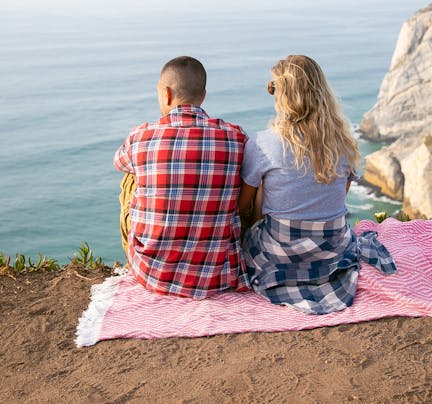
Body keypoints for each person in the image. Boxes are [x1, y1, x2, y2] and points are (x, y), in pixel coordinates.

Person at [238, 54, 396, 314]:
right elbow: (339, 198)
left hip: (279, 254)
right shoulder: (343, 143)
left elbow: (242, 205)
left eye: (272, 88)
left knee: (260, 185)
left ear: (282, 95)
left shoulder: (263, 143)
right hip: (334, 249)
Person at [114, 56, 250, 299]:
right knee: (245, 176)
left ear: (166, 94)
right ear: (203, 95)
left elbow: (119, 162)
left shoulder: (140, 136)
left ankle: (146, 249)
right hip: (216, 274)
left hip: (152, 273)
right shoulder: (235, 137)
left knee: (130, 177)